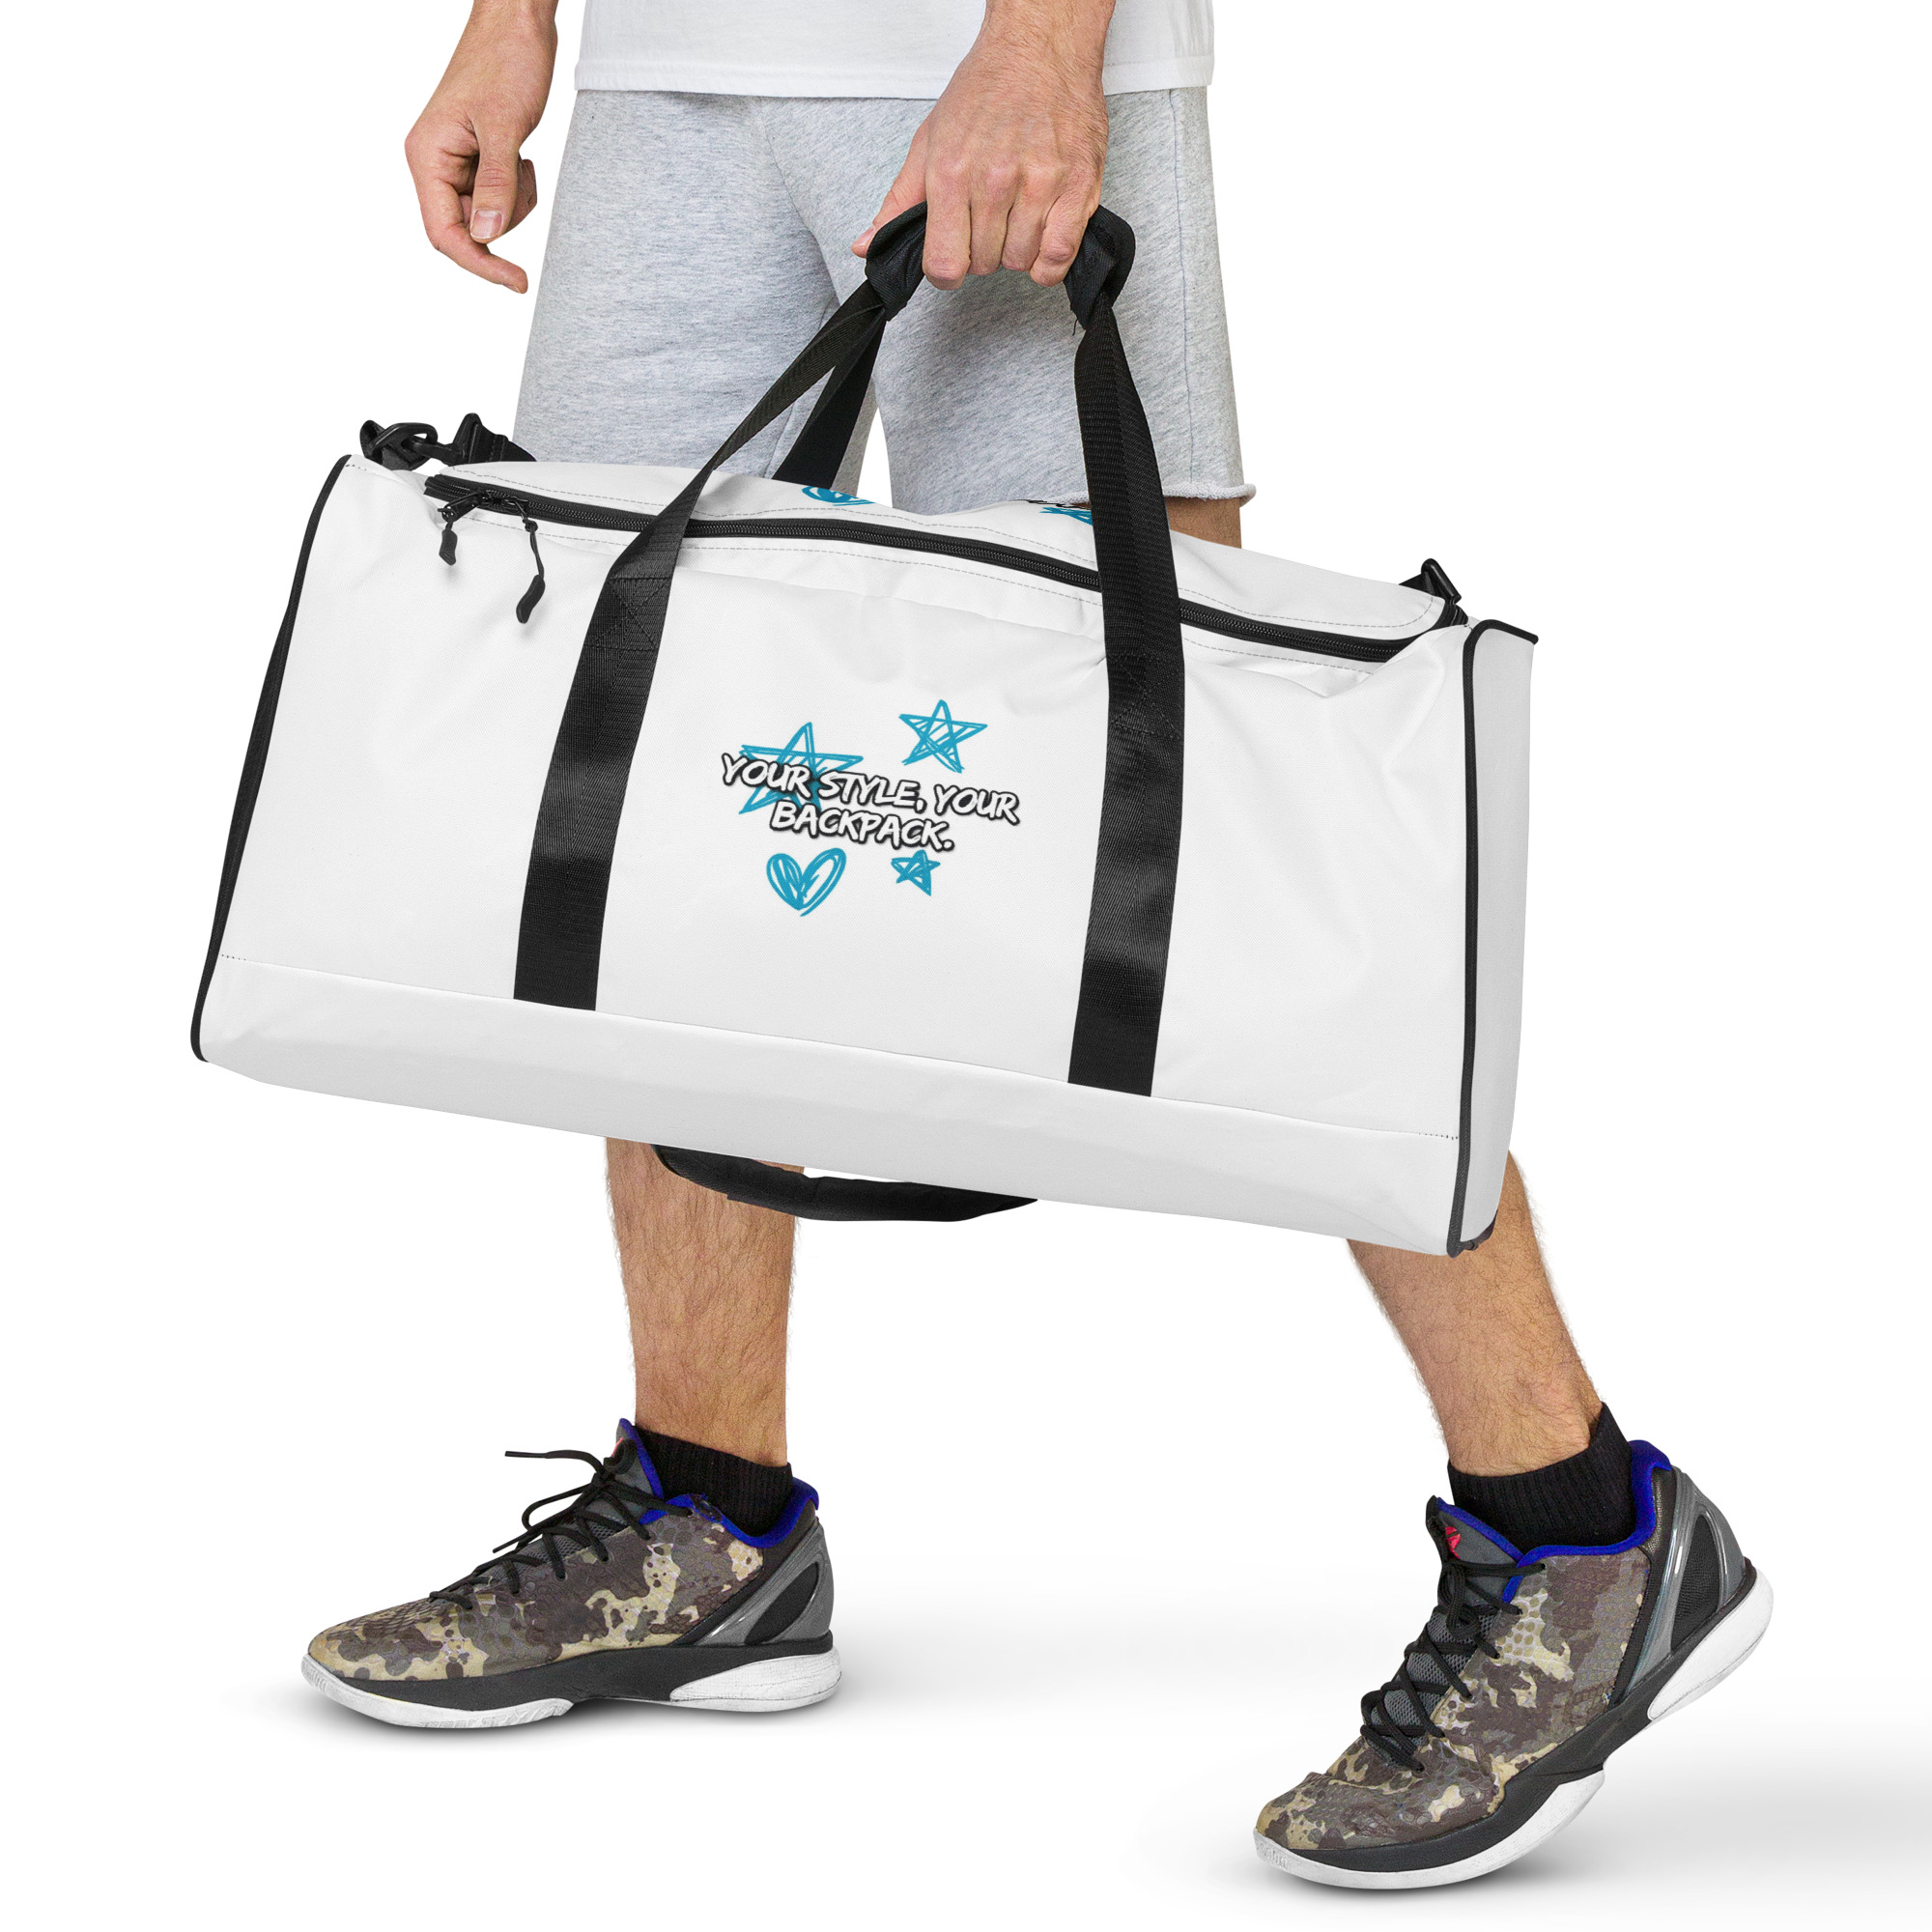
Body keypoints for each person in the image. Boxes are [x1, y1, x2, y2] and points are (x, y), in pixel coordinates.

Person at [300, 0, 1768, 1890]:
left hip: (986, 65)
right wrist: (515, 20)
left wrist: (1045, 44)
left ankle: (1581, 1528)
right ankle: (706, 1518)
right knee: (668, 785)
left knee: (1225, 822)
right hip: (667, 78)